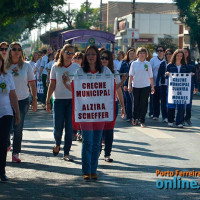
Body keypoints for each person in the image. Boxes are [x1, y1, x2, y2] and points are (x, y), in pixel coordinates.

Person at [62, 45, 112, 180]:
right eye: (88, 54)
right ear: (86, 56)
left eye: (93, 54)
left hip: (99, 112)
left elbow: (111, 88)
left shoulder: (105, 71)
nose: (91, 57)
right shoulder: (80, 72)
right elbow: (74, 89)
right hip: (85, 111)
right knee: (88, 141)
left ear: (97, 56)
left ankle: (93, 170)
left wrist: (123, 81)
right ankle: (86, 169)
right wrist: (65, 82)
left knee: (97, 143)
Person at [46, 44, 80, 161]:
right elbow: (52, 84)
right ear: (62, 53)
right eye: (68, 52)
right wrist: (47, 100)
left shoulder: (76, 67)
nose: (70, 55)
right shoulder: (56, 67)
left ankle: (66, 153)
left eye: (72, 53)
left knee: (69, 127)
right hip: (58, 100)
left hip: (71, 100)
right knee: (58, 126)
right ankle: (57, 143)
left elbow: (80, 84)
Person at [5, 42, 37, 162]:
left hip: (22, 100)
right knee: (6, 126)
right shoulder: (5, 66)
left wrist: (34, 99)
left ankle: (16, 153)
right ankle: (7, 143)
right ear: (10, 51)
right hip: (6, 100)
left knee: (18, 127)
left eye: (19, 49)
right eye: (14, 49)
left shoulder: (26, 66)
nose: (17, 51)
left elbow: (32, 83)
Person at [100, 50, 127, 162]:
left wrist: (122, 106)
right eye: (102, 58)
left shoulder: (114, 72)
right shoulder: (95, 72)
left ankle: (107, 154)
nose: (104, 60)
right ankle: (97, 150)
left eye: (107, 58)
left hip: (111, 104)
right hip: (98, 106)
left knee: (109, 130)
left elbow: (118, 89)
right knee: (99, 129)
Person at [0, 54, 20, 181]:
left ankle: (2, 170)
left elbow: (13, 95)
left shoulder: (7, 76)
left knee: (2, 143)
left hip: (6, 113)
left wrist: (17, 113)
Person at [128, 47, 154, 128]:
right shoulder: (134, 63)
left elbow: (150, 76)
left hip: (145, 86)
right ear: (137, 54)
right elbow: (131, 75)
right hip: (136, 86)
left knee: (144, 103)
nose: (142, 55)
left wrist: (152, 86)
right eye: (140, 53)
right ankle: (135, 118)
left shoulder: (148, 64)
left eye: (143, 53)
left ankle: (142, 120)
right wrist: (129, 85)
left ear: (146, 55)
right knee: (136, 103)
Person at [166, 49, 188, 128]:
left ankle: (179, 122)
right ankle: (170, 120)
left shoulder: (185, 66)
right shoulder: (170, 65)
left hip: (182, 89)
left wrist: (191, 75)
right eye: (178, 56)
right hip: (172, 89)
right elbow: (165, 75)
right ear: (174, 56)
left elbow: (187, 76)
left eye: (181, 56)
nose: (179, 57)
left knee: (181, 105)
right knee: (171, 105)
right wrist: (167, 74)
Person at [156, 48, 173, 123]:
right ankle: (164, 116)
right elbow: (159, 75)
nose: (168, 55)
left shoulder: (174, 64)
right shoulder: (163, 64)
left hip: (172, 85)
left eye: (170, 54)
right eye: (167, 54)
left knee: (171, 102)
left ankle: (171, 116)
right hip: (163, 84)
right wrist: (156, 84)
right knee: (163, 101)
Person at [120, 48, 136, 122]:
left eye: (133, 53)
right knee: (128, 100)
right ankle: (129, 116)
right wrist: (123, 83)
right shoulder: (124, 63)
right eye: (130, 54)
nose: (132, 55)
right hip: (126, 84)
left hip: (135, 84)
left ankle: (136, 116)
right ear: (128, 55)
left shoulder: (137, 63)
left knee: (135, 101)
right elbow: (121, 73)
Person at [183, 47, 198, 125]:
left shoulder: (192, 63)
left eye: (186, 52)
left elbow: (195, 75)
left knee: (189, 103)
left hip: (190, 85)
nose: (185, 53)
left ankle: (188, 118)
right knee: (181, 102)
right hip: (181, 86)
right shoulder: (179, 62)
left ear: (188, 53)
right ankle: (181, 118)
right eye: (183, 52)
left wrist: (196, 86)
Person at [150, 45, 165, 120]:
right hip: (155, 83)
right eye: (158, 51)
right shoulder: (153, 60)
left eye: (161, 50)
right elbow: (149, 71)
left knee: (163, 100)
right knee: (155, 100)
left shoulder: (166, 60)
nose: (159, 52)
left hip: (163, 83)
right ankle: (155, 114)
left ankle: (165, 116)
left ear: (163, 52)